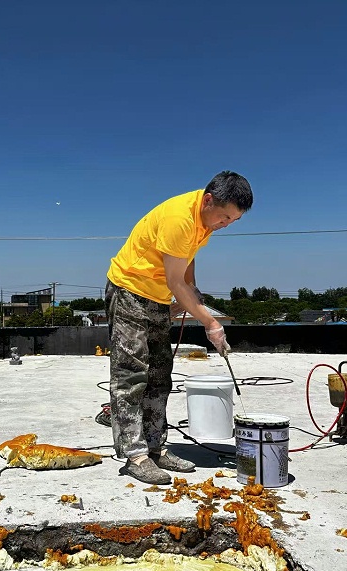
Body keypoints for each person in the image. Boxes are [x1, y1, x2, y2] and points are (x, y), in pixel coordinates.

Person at [105, 171, 253, 484]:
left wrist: (193, 286)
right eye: (225, 216)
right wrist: (211, 323)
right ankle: (134, 455)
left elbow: (186, 258)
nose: (225, 224)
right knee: (130, 374)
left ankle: (156, 447)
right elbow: (175, 280)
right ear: (209, 200)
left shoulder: (206, 219)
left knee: (160, 373)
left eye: (233, 220)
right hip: (129, 289)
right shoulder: (180, 218)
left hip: (157, 297)